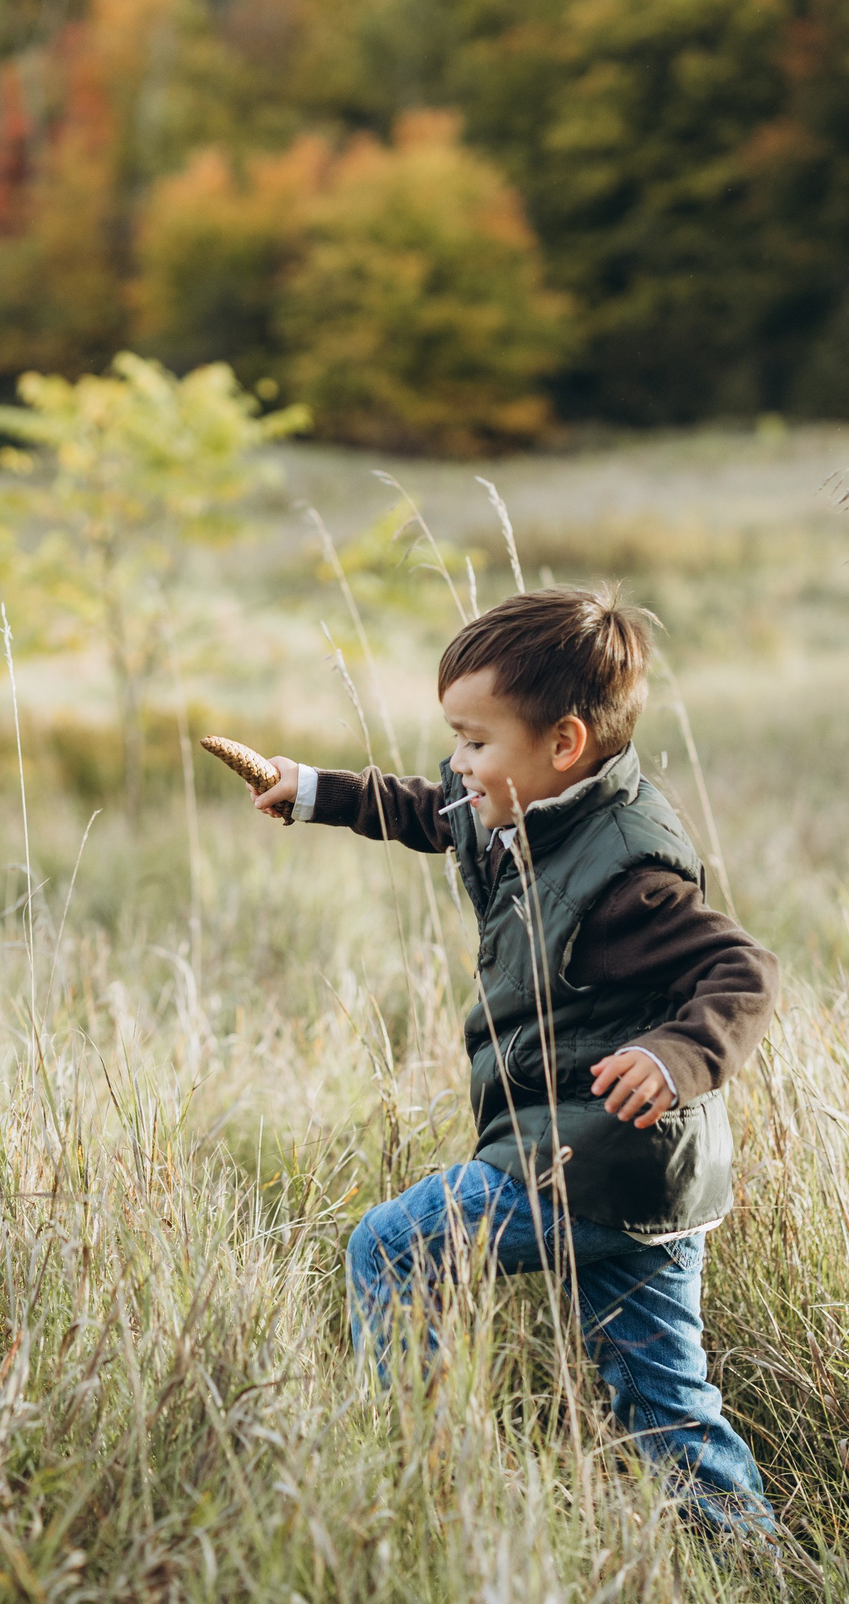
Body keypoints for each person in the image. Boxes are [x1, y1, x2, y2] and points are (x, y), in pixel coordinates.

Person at [244, 587, 780, 1535]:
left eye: (476, 740)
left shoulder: (626, 870)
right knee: (665, 1404)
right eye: (456, 736)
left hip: (587, 1158)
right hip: (641, 1184)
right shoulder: (516, 809)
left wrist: (675, 1055)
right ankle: (754, 1561)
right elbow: (424, 806)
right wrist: (314, 788)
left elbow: (742, 969)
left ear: (563, 744)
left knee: (391, 1248)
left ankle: (425, 1492)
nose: (459, 762)